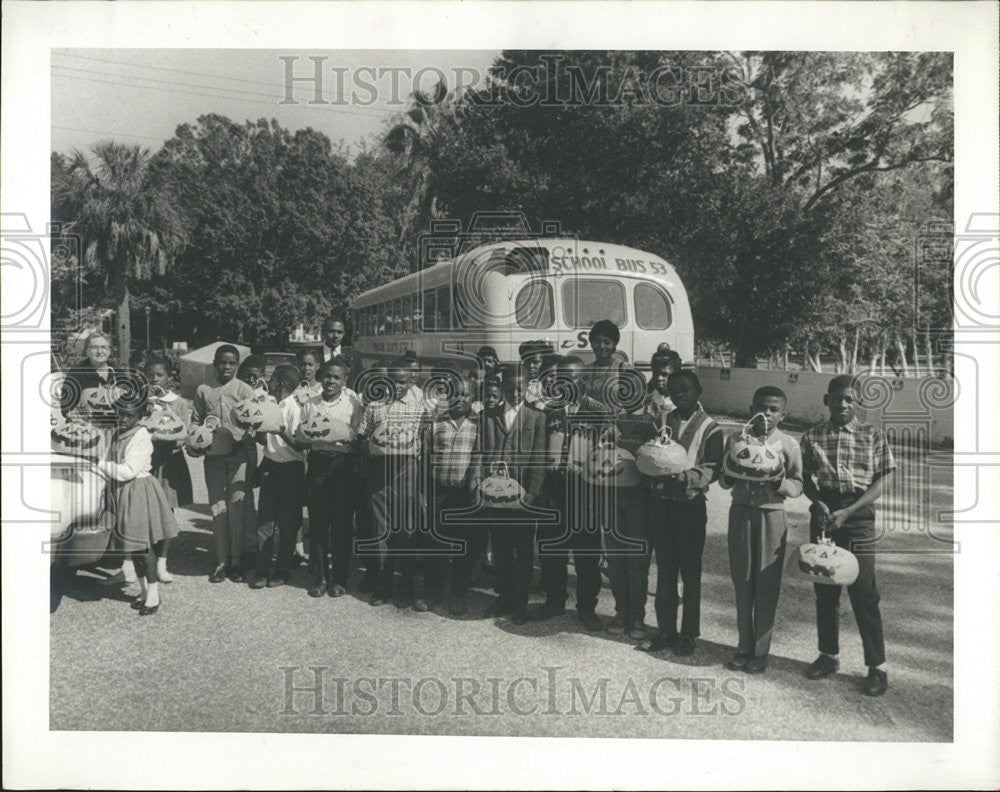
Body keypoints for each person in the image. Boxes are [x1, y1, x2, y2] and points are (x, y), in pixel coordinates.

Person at [800, 375, 896, 697]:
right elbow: (804, 477)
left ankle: (877, 667)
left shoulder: (872, 435)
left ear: (858, 403)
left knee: (863, 591)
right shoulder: (812, 436)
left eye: (849, 399)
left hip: (858, 517)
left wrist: (852, 510)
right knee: (825, 588)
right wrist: (818, 501)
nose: (843, 404)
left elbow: (883, 479)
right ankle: (828, 655)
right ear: (827, 400)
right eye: (837, 398)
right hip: (826, 515)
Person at [637, 370, 723, 656]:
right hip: (661, 505)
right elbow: (648, 456)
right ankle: (665, 630)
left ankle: (689, 633)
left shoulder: (711, 428)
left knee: (690, 573)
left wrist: (683, 477)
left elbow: (713, 468)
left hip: (690, 507)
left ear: (698, 390)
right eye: (674, 392)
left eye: (686, 390)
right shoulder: (662, 421)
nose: (680, 395)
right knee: (664, 571)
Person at [719, 387, 803, 673]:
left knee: (766, 585)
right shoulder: (735, 439)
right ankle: (743, 645)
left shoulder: (788, 444)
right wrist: (736, 464)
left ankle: (761, 650)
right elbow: (724, 481)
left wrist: (777, 482)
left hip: (772, 516)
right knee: (742, 581)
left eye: (774, 409)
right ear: (751, 407)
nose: (767, 413)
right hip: (741, 513)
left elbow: (798, 484)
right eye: (762, 407)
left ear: (783, 414)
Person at [531, 356, 612, 631]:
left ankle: (587, 607)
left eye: (575, 377)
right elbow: (538, 451)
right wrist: (540, 487)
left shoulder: (598, 411)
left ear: (584, 380)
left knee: (586, 555)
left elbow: (607, 454)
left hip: (584, 489)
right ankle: (554, 601)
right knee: (551, 549)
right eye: (562, 376)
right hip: (553, 486)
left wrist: (597, 494)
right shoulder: (547, 409)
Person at [356, 358, 431, 608]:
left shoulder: (421, 408)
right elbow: (361, 437)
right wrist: (372, 452)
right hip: (380, 472)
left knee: (407, 529)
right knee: (381, 530)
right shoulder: (374, 406)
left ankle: (406, 585)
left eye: (401, 382)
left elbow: (427, 439)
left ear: (412, 381)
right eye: (392, 380)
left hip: (408, 469)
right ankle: (383, 585)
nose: (396, 386)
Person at [97, 396, 179, 615]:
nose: (123, 419)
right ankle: (143, 592)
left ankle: (153, 595)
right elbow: (109, 460)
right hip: (121, 492)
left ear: (141, 417)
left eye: (129, 415)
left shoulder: (142, 436)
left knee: (143, 547)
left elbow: (128, 471)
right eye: (120, 414)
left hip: (137, 492)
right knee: (132, 547)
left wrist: (99, 463)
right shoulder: (116, 433)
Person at [477, 369, 547, 624]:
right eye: (510, 388)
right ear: (501, 385)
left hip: (523, 498)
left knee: (524, 550)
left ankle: (521, 603)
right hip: (495, 496)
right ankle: (503, 596)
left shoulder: (537, 417)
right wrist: (481, 486)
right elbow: (481, 454)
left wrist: (532, 492)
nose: (515, 393)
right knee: (501, 548)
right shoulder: (487, 416)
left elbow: (539, 457)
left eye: (520, 388)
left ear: (527, 388)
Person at [191, 344, 259, 583]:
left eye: (231, 363)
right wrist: (196, 442)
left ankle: (237, 560)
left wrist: (248, 436)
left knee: (237, 507)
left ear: (238, 365)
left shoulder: (245, 390)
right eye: (222, 362)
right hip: (214, 458)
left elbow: (255, 423)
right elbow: (196, 422)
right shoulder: (203, 390)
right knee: (218, 508)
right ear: (215, 363)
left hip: (238, 456)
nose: (227, 367)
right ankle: (222, 561)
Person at [301, 358, 363, 598]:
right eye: (327, 376)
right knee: (318, 525)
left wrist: (342, 436)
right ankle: (320, 577)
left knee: (341, 526)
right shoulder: (310, 403)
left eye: (337, 377)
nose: (331, 381)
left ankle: (339, 578)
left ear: (345, 380)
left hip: (342, 467)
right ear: (320, 376)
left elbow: (357, 435)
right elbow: (304, 434)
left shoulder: (352, 402)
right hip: (318, 464)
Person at [603, 383, 659, 640]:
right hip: (611, 496)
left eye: (633, 388)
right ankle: (620, 611)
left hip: (640, 499)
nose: (627, 394)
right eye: (622, 389)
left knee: (637, 562)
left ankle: (637, 615)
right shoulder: (611, 421)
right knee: (615, 560)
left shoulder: (652, 423)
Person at [424, 376, 481, 615]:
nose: (460, 399)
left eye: (466, 395)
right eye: (455, 394)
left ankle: (458, 593)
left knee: (464, 546)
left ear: (473, 398)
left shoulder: (479, 424)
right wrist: (423, 491)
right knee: (435, 544)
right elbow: (424, 457)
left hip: (464, 495)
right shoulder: (436, 422)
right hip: (438, 491)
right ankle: (433, 592)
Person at [248, 364, 307, 589]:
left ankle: (281, 570)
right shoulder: (269, 404)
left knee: (287, 523)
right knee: (265, 522)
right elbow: (267, 443)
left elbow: (301, 446)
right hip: (271, 468)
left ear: (280, 383)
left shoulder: (295, 409)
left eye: (271, 379)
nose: (268, 383)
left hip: (291, 471)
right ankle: (262, 570)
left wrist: (280, 430)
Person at [143, 356, 194, 583]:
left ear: (169, 378)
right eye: (150, 375)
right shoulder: (140, 400)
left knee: (166, 512)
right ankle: (143, 561)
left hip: (169, 462)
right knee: (143, 512)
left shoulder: (179, 402)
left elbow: (183, 435)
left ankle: (162, 562)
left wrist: (164, 417)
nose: (155, 379)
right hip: (146, 461)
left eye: (160, 375)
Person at [584, 319, 627, 406]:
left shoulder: (624, 369)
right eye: (597, 342)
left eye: (607, 342)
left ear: (614, 344)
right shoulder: (586, 370)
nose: (602, 346)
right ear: (591, 344)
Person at [322, 315, 363, 390]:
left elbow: (360, 383)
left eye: (339, 332)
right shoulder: (314, 355)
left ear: (344, 333)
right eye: (331, 331)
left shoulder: (354, 356)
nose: (335, 336)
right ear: (324, 332)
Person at [645, 352, 680, 422]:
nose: (659, 378)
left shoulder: (681, 401)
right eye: (655, 374)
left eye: (664, 374)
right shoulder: (648, 398)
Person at [519, 339, 553, 409]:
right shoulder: (518, 383)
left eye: (536, 362)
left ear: (544, 362)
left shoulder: (550, 382)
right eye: (527, 361)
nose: (531, 366)